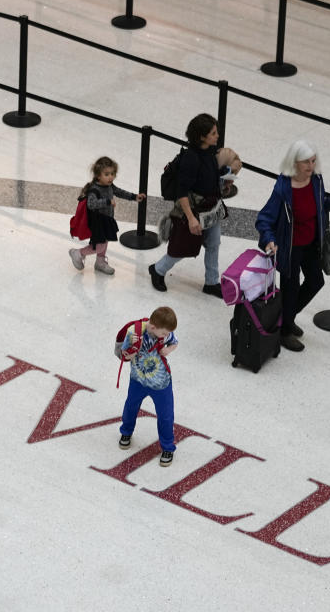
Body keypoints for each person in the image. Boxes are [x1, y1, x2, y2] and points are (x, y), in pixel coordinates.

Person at [255, 140, 330, 352]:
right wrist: (269, 239)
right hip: (289, 248)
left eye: (313, 161)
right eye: (306, 162)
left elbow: (318, 200)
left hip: (311, 243)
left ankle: (284, 319)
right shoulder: (283, 189)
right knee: (290, 289)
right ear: (294, 163)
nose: (311, 166)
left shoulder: (315, 180)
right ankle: (284, 330)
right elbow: (264, 218)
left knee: (316, 281)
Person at [149, 113, 226, 297]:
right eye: (213, 133)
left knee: (214, 243)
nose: (217, 135)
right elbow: (181, 192)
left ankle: (211, 281)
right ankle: (158, 270)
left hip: (210, 208)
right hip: (193, 211)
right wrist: (191, 219)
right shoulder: (191, 159)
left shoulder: (209, 151)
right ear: (202, 136)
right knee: (183, 247)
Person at [117, 307, 180, 466]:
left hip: (161, 383)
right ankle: (126, 432)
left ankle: (168, 447)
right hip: (138, 380)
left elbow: (175, 342)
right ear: (153, 327)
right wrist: (130, 353)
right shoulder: (134, 333)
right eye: (164, 333)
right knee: (130, 407)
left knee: (165, 415)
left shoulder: (166, 334)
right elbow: (123, 353)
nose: (166, 336)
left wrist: (169, 349)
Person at [69, 156, 146, 275]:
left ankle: (100, 262)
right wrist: (107, 201)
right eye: (107, 174)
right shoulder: (94, 190)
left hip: (107, 219)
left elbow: (119, 192)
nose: (111, 177)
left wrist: (134, 197)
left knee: (105, 243)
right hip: (97, 222)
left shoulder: (109, 186)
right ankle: (78, 253)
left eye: (113, 173)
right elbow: (91, 204)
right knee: (99, 246)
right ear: (98, 175)